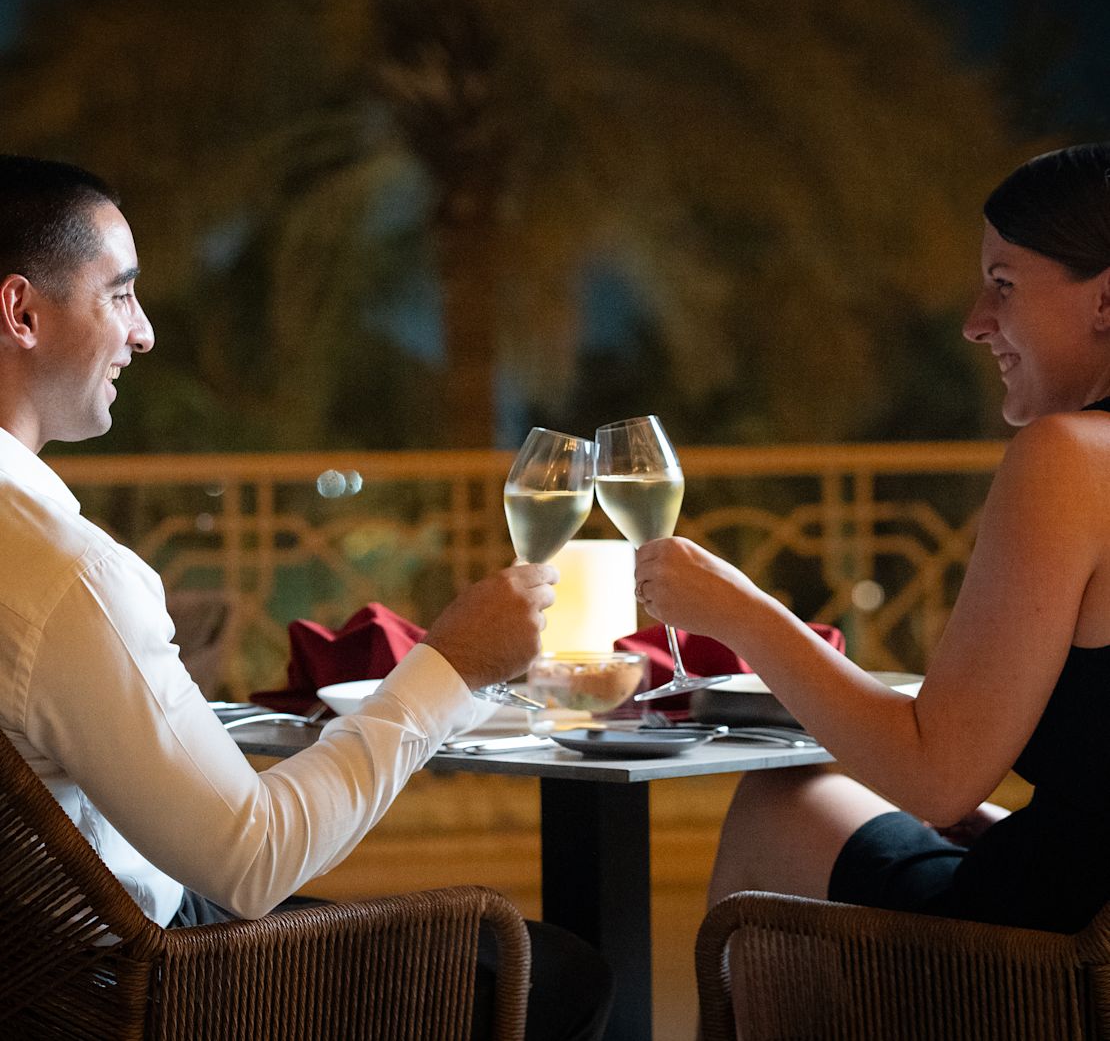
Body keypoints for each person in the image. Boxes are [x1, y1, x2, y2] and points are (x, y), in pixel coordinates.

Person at [0, 155, 610, 1040]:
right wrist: (448, 665)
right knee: (556, 975)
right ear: (21, 312)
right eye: (121, 295)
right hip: (136, 990)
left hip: (32, 975)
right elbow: (253, 859)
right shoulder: (66, 577)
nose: (144, 335)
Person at [633, 142, 1110, 941]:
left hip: (1052, 956)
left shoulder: (1072, 457)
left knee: (778, 802)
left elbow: (938, 777)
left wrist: (744, 615)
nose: (974, 324)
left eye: (1003, 285)